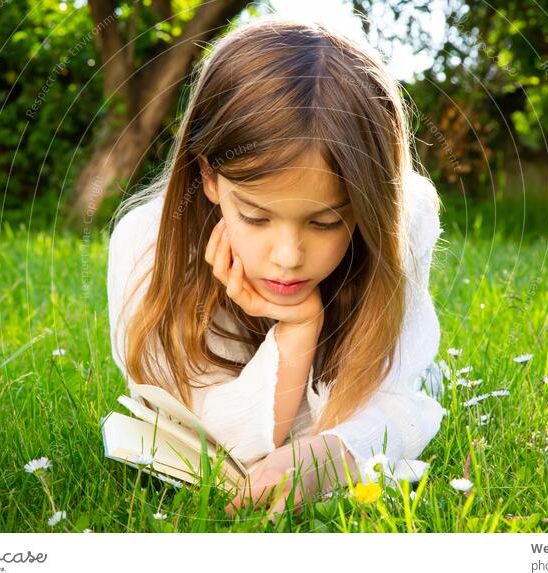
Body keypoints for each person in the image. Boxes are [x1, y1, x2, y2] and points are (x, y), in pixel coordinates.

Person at [106, 15, 447, 520]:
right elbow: (208, 442)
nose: (288, 256)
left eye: (327, 222)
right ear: (209, 177)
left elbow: (403, 399)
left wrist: (338, 451)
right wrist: (298, 328)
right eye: (256, 217)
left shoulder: (403, 217)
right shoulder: (147, 245)